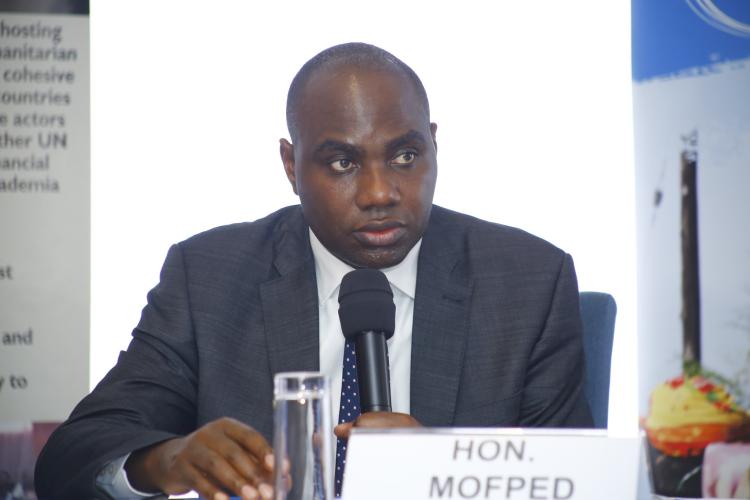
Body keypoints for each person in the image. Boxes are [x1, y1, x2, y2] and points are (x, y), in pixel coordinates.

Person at [34, 42, 592, 500]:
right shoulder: (207, 277)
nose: (380, 193)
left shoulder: (529, 283)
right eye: (343, 163)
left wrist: (449, 474)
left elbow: (582, 483)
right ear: (291, 165)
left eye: (405, 156)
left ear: (434, 146)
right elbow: (74, 456)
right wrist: (168, 460)